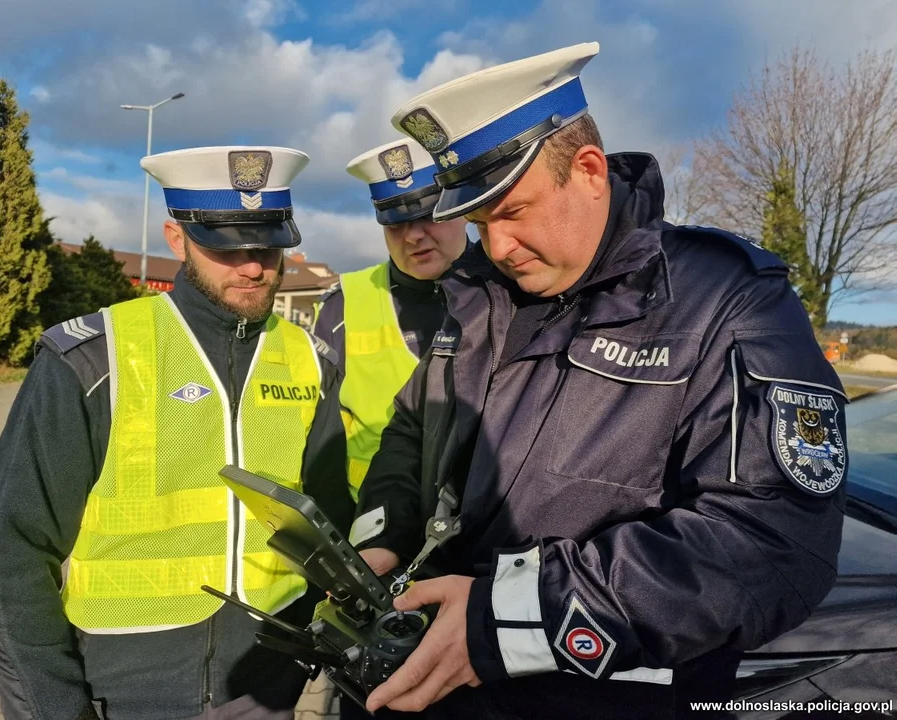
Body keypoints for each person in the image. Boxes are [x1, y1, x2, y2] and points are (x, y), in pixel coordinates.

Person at [350, 42, 848, 719]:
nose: (495, 248)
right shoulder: (477, 296)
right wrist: (381, 535)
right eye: (476, 222)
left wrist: (517, 615)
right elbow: (414, 429)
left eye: (514, 212)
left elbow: (771, 543)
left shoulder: (723, 298)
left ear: (587, 170)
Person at [0, 146, 354, 720]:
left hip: (267, 688)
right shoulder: (95, 358)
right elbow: (11, 552)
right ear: (177, 240)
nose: (254, 266)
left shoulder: (309, 360)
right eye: (228, 245)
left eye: (269, 244)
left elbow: (328, 521)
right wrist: (51, 705)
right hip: (124, 690)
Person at [312, 137, 467, 502]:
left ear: (461, 207)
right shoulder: (342, 306)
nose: (413, 236)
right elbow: (319, 447)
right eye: (396, 222)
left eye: (429, 214)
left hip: (481, 542)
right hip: (368, 532)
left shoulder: (514, 291)